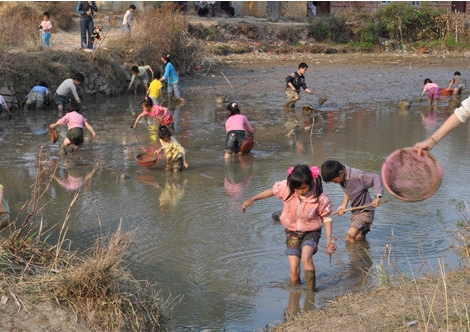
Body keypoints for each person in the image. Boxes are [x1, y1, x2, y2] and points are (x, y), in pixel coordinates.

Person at [241, 165, 334, 292]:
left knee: (306, 256)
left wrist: (329, 240)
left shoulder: (320, 198)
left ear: (311, 182)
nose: (299, 192)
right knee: (294, 267)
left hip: (311, 232)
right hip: (292, 232)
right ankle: (294, 293)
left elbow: (327, 218)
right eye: (296, 189)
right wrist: (252, 199)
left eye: (303, 188)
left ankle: (311, 293)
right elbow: (272, 192)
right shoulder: (286, 188)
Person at [321, 160, 383, 244]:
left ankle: (354, 254)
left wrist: (377, 197)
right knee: (358, 238)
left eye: (335, 181)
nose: (335, 183)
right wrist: (344, 205)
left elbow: (376, 177)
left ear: (341, 172)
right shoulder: (343, 177)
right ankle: (361, 254)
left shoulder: (356, 176)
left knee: (349, 236)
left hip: (365, 211)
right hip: (356, 212)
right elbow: (348, 190)